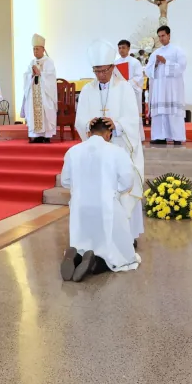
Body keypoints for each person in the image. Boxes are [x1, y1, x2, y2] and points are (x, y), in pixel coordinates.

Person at [75, 40, 145, 245]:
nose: (100, 75)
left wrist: (116, 125)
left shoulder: (124, 88)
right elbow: (79, 120)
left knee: (122, 190)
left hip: (120, 148)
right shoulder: (88, 90)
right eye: (96, 71)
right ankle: (102, 234)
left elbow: (133, 119)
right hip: (97, 152)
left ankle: (127, 235)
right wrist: (90, 124)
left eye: (104, 70)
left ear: (112, 68)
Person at [60, 118, 141, 282]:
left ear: (89, 133)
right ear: (108, 134)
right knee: (120, 254)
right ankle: (96, 262)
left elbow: (65, 181)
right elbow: (127, 182)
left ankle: (76, 256)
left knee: (82, 240)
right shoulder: (117, 151)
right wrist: (114, 192)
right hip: (106, 207)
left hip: (80, 208)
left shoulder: (73, 151)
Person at [144, 25, 187, 145]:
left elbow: (181, 67)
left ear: (169, 35)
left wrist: (166, 62)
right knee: (160, 112)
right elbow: (148, 70)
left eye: (163, 35)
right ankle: (160, 136)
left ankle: (177, 137)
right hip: (159, 88)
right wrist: (156, 64)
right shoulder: (155, 53)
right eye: (159, 36)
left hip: (172, 88)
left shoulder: (177, 50)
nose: (161, 38)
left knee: (172, 112)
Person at [21, 33, 57, 143]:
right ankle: (36, 135)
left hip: (44, 93)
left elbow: (51, 76)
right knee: (33, 111)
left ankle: (46, 136)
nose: (35, 51)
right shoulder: (31, 62)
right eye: (34, 49)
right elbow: (26, 76)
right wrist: (30, 74)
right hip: (34, 93)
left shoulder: (49, 61)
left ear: (43, 49)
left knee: (45, 111)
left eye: (37, 49)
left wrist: (40, 72)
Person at [115, 39, 144, 116]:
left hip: (132, 91)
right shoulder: (115, 63)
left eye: (123, 47)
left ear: (128, 49)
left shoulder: (135, 62)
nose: (121, 50)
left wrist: (127, 84)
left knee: (132, 114)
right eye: (119, 48)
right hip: (120, 91)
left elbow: (139, 77)